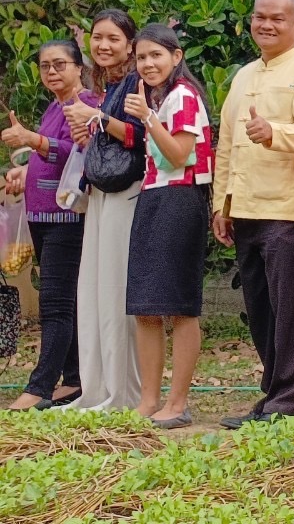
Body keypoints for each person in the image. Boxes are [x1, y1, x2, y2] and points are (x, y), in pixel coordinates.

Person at [212, 0, 294, 428]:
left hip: (288, 205)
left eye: (277, 19)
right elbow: (226, 141)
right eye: (259, 17)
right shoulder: (244, 75)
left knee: (288, 306)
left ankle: (287, 399)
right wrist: (221, 202)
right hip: (244, 207)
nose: (266, 25)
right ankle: (271, 393)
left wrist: (273, 132)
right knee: (259, 304)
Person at [121, 24, 213, 429]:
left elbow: (178, 156)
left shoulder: (184, 97)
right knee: (144, 306)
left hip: (181, 199)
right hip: (153, 197)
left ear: (177, 57)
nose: (148, 63)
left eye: (156, 55)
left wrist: (148, 119)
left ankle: (177, 403)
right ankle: (148, 400)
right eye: (141, 57)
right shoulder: (158, 98)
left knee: (179, 305)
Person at [2, 39, 97, 410]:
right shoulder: (55, 107)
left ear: (78, 68)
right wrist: (25, 171)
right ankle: (73, 380)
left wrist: (31, 139)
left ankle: (40, 386)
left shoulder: (86, 105)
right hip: (42, 215)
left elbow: (76, 152)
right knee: (65, 302)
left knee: (55, 306)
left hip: (67, 218)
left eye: (60, 64)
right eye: (45, 66)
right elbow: (53, 157)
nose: (52, 72)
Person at [62, 9, 145, 411]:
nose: (103, 45)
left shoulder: (135, 83)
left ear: (130, 45)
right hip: (100, 193)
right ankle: (95, 391)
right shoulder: (108, 84)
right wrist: (90, 129)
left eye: (113, 38)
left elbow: (138, 135)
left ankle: (122, 394)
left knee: (114, 291)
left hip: (125, 192)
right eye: (97, 37)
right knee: (92, 290)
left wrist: (97, 118)